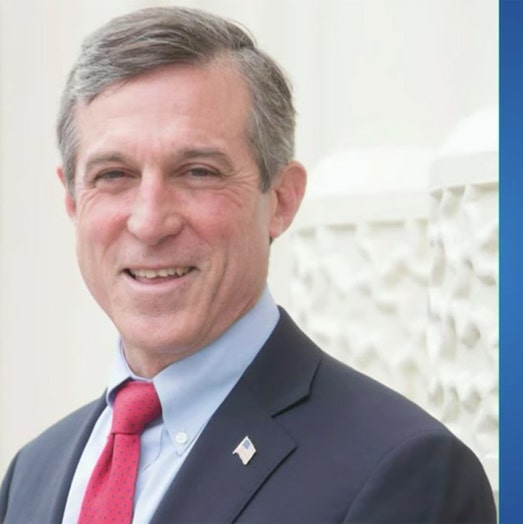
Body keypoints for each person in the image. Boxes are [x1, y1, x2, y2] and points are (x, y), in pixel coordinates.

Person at [0, 7, 496, 523]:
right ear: (73, 201)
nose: (150, 222)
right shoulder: (33, 474)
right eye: (114, 174)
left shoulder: (403, 472)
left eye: (197, 171)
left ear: (281, 199)